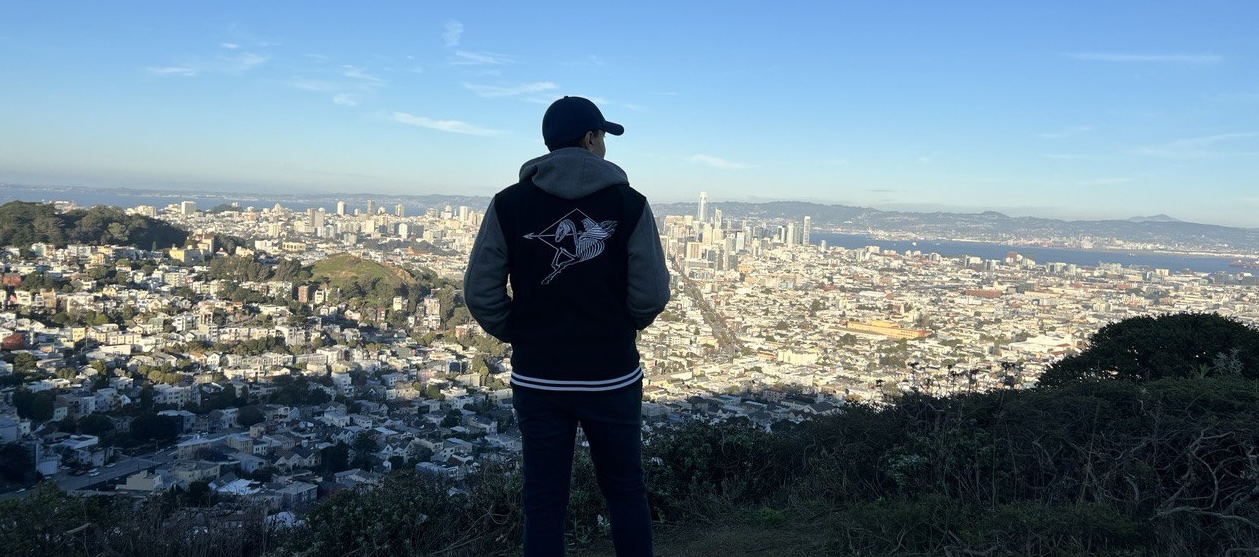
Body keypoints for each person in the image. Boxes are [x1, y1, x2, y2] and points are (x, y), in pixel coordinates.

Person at [464, 95, 670, 556]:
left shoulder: (509, 205)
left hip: (539, 377)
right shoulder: (630, 204)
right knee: (625, 491)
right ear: (591, 138)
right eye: (602, 138)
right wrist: (621, 327)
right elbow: (651, 294)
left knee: (543, 499)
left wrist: (519, 330)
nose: (604, 148)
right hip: (611, 375)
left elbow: (480, 291)